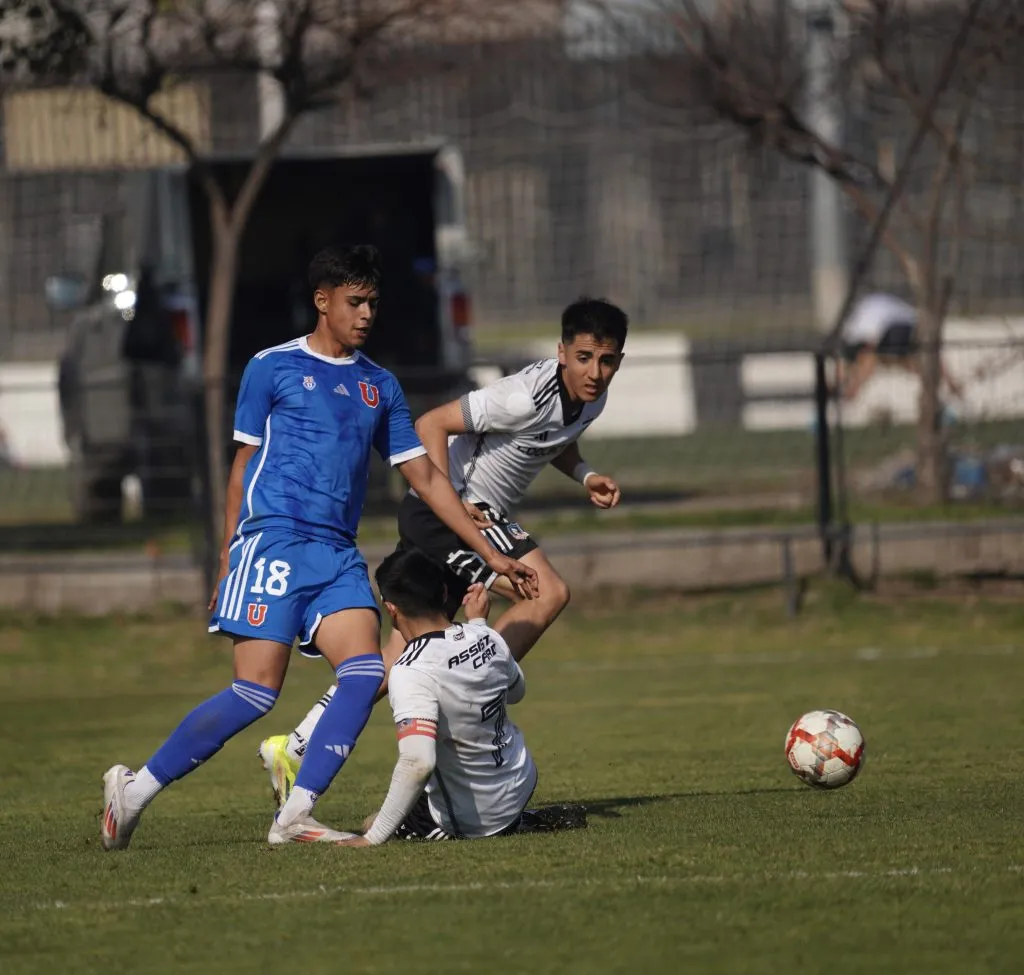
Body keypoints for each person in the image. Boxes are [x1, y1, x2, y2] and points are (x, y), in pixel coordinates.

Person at [100, 244, 538, 850]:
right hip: (273, 541)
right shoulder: (271, 367)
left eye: (373, 303)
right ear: (322, 301)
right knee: (255, 692)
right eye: (355, 302)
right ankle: (134, 791)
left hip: (336, 553)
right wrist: (229, 555)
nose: (366, 314)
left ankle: (295, 814)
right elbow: (242, 465)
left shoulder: (379, 385)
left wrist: (489, 553)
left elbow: (426, 477)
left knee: (364, 672)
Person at [258, 297, 629, 806]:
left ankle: (294, 745)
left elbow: (552, 439)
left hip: (455, 519)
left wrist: (585, 474)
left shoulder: (591, 398)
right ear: (562, 352)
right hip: (453, 515)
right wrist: (451, 502)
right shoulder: (521, 396)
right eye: (584, 358)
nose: (595, 372)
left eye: (607, 361)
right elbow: (431, 424)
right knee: (546, 592)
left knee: (396, 658)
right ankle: (475, 691)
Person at [337, 548, 582, 845]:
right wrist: (478, 626)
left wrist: (373, 838)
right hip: (520, 781)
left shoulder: (410, 669)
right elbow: (517, 692)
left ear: (391, 609)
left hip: (473, 816)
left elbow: (418, 762)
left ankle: (510, 824)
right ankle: (516, 818)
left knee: (374, 822)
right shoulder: (486, 635)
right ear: (444, 593)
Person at [836, 292, 963, 402]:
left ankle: (947, 385)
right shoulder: (853, 332)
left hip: (900, 325)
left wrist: (855, 385)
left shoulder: (867, 330)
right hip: (890, 323)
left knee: (915, 361)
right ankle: (949, 384)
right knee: (918, 361)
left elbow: (868, 356)